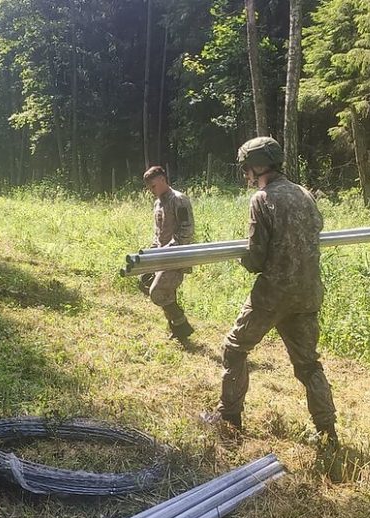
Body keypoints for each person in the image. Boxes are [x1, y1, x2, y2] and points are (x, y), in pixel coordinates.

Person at [202, 137, 343, 480]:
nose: (245, 173)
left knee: (235, 349)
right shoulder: (304, 194)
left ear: (256, 166)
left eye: (246, 166)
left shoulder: (261, 199)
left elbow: (256, 257)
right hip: (307, 293)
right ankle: (328, 432)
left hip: (273, 295)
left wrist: (243, 257)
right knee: (309, 364)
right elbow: (316, 231)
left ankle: (229, 418)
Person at [139, 166, 194, 340]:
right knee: (145, 281)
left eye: (154, 186)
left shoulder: (179, 199)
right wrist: (151, 253)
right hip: (161, 255)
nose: (152, 191)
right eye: (149, 188)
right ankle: (177, 329)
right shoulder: (158, 203)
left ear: (163, 180)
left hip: (176, 255)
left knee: (158, 291)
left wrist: (171, 249)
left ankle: (181, 324)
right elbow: (158, 233)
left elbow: (187, 229)